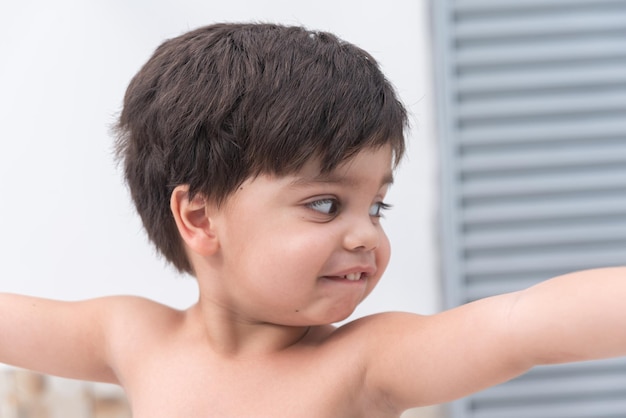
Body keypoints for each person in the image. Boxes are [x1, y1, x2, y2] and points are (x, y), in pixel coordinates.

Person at [0, 22, 624, 418]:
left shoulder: (366, 363)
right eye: (326, 205)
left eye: (376, 206)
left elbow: (524, 325)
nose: (366, 235)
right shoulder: (133, 337)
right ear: (198, 216)